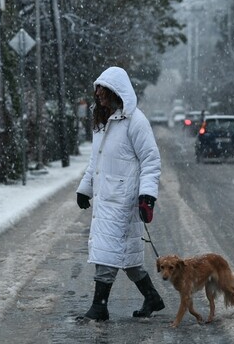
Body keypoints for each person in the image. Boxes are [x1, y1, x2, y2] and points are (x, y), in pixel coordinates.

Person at [75, 66, 165, 322]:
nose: (99, 96)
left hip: (125, 201)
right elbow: (96, 163)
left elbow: (151, 160)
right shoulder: (103, 124)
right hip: (106, 199)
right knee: (127, 256)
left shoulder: (136, 122)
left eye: (103, 92)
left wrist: (147, 196)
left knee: (108, 251)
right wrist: (85, 189)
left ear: (117, 92)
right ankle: (153, 298)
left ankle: (99, 306)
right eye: (98, 92)